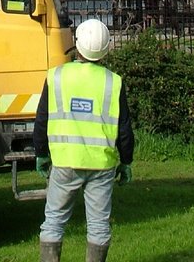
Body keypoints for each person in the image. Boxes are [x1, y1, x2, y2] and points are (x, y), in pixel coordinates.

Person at [34, 18, 134, 262]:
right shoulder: (113, 82)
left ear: (76, 45)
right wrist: (126, 161)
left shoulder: (56, 77)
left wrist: (41, 153)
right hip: (102, 166)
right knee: (99, 226)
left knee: (54, 221)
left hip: (65, 162)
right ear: (106, 49)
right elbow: (124, 129)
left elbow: (42, 119)